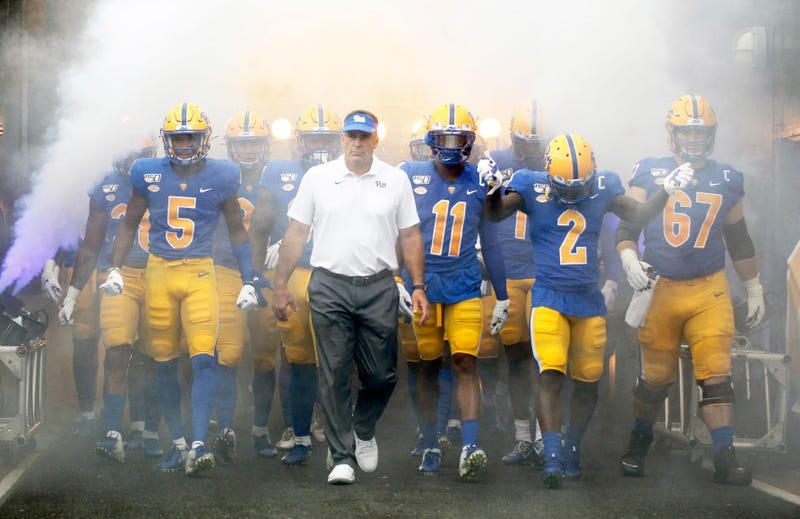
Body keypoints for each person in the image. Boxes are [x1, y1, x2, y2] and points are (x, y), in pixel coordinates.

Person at [483, 132, 693, 489]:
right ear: (548, 172)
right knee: (550, 373)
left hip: (587, 299)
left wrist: (666, 191)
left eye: (580, 184)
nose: (573, 192)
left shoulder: (604, 185)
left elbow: (640, 213)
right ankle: (550, 454)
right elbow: (497, 215)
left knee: (588, 382)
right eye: (566, 184)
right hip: (548, 296)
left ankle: (572, 447)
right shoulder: (531, 185)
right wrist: (490, 190)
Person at [104, 102, 268, 477]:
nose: (183, 144)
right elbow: (129, 223)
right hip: (158, 272)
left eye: (190, 136)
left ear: (204, 138)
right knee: (163, 363)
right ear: (167, 140)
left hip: (198, 272)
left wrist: (247, 276)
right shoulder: (147, 172)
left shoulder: (223, 174)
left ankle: (198, 444)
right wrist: (115, 267)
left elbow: (237, 229)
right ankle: (177, 444)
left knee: (203, 358)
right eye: (177, 137)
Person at [271, 109, 429, 485]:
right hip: (329, 285)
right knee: (335, 372)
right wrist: (280, 284)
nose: (357, 143)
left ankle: (362, 427)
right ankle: (341, 455)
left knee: (381, 374)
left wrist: (418, 285)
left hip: (378, 286)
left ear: (376, 141)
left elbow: (410, 235)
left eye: (364, 137)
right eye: (351, 136)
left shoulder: (395, 179)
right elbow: (296, 234)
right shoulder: (318, 178)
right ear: (342, 139)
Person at [616, 94, 764, 486]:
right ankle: (639, 441)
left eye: (702, 133)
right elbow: (627, 224)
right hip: (660, 288)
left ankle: (724, 456)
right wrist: (629, 260)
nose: (695, 140)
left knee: (717, 373)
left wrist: (754, 287)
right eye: (687, 132)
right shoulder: (649, 171)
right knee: (656, 381)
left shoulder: (728, 178)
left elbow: (738, 237)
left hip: (708, 288)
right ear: (672, 132)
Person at [399, 103, 509, 480]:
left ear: (470, 142)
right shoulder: (408, 174)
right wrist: (399, 280)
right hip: (424, 286)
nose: (449, 146)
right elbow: (394, 231)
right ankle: (430, 442)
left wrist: (504, 293)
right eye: (443, 138)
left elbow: (491, 239)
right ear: (429, 141)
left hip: (463, 284)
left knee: (465, 362)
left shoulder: (480, 179)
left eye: (457, 138)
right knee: (428, 366)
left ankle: (470, 445)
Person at [57, 134, 163, 462]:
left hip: (160, 274)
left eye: (139, 154)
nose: (132, 161)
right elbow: (90, 244)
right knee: (117, 350)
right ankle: (112, 430)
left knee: (154, 357)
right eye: (126, 152)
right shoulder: (105, 186)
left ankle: (147, 428)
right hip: (118, 276)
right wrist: (72, 294)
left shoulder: (168, 178)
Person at [249, 104, 343, 467]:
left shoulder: (351, 172)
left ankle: (339, 434)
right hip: (295, 274)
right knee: (296, 356)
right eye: (314, 138)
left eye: (326, 138)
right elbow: (260, 225)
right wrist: (257, 272)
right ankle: (297, 429)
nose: (319, 145)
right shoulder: (278, 171)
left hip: (336, 273)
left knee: (338, 360)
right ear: (299, 142)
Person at [209, 110, 272, 463]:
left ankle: (261, 430)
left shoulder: (278, 177)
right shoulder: (217, 176)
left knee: (265, 355)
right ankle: (226, 429)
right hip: (227, 270)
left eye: (254, 144)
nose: (247, 152)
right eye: (241, 145)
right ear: (229, 147)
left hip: (266, 273)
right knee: (228, 352)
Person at [41, 246, 101, 438]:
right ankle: (87, 413)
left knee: (122, 345)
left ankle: (135, 421)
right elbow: (61, 228)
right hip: (78, 269)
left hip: (124, 267)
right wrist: (51, 268)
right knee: (83, 343)